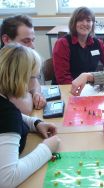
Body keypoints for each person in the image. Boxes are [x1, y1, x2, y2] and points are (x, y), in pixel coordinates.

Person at [0, 43, 60, 188]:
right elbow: (7, 179)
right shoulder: (8, 114)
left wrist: (35, 123)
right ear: (22, 78)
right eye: (35, 77)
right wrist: (46, 148)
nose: (36, 83)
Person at [53, 6, 104, 84]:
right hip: (68, 89)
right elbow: (63, 78)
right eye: (80, 20)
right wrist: (79, 92)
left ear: (92, 24)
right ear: (74, 23)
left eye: (88, 20)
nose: (85, 24)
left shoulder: (98, 43)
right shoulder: (62, 44)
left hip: (89, 88)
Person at [0, 14, 46, 115]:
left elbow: (34, 81)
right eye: (26, 41)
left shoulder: (25, 59)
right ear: (6, 40)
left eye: (33, 40)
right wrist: (29, 95)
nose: (33, 46)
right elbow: (24, 108)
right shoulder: (5, 66)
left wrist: (36, 93)